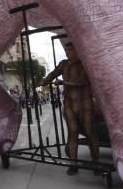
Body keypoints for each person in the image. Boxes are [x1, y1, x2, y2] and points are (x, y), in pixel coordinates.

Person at [42, 43, 99, 173]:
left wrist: (64, 82)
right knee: (72, 132)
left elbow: (81, 82)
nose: (68, 53)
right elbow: (53, 73)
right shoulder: (64, 64)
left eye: (70, 50)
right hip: (70, 103)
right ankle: (74, 164)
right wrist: (43, 81)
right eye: (66, 51)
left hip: (85, 104)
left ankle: (96, 162)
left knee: (90, 131)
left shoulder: (85, 64)